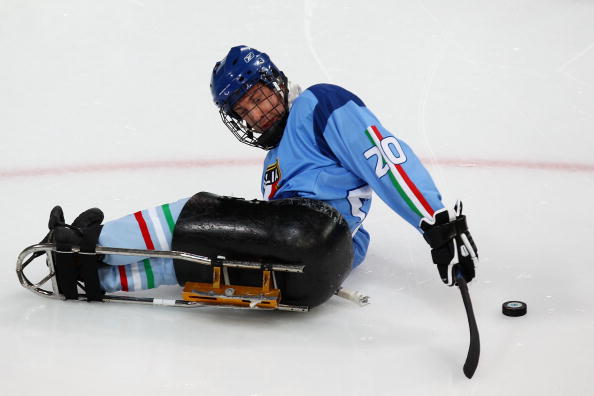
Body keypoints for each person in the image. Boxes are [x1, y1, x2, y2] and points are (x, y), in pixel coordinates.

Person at [45, 45, 478, 309]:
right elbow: (352, 233)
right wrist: (348, 251)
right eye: (243, 110)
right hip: (309, 270)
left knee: (194, 214)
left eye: (257, 97)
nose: (256, 112)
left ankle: (92, 243)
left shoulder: (318, 104)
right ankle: (94, 277)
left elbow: (383, 158)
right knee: (205, 258)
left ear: (275, 82)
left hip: (308, 233)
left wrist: (436, 221)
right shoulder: (272, 164)